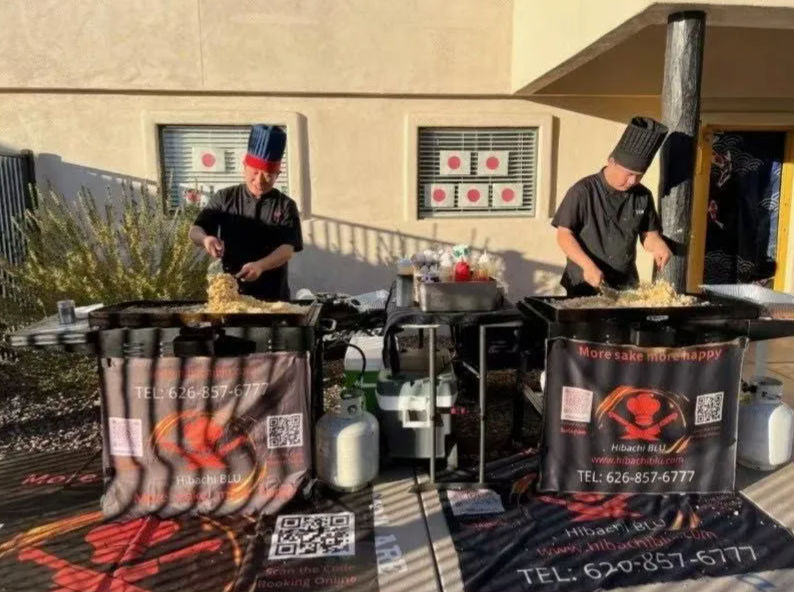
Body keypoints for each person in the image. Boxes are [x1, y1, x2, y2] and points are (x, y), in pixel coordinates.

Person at [552, 116, 673, 297]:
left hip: (626, 285)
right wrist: (587, 265)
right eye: (629, 174)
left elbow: (649, 235)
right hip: (584, 282)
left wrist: (659, 246)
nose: (633, 181)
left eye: (639, 176)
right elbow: (564, 235)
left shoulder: (643, 196)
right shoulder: (583, 191)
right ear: (612, 162)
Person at [189, 125, 303, 301]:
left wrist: (260, 266)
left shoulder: (286, 205)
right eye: (255, 172)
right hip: (231, 295)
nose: (259, 181)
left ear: (277, 175)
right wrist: (206, 239)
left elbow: (287, 249)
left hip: (273, 298)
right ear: (244, 166)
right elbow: (195, 230)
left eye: (268, 175)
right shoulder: (225, 197)